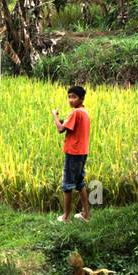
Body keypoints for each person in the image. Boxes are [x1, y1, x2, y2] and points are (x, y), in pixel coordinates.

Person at [52, 85, 91, 222]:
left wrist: (55, 116)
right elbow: (72, 126)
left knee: (67, 185)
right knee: (80, 183)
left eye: (74, 97)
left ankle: (66, 217)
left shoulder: (75, 113)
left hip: (73, 152)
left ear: (81, 98)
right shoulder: (84, 111)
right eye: (69, 97)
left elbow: (61, 129)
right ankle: (86, 214)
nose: (70, 100)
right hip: (82, 151)